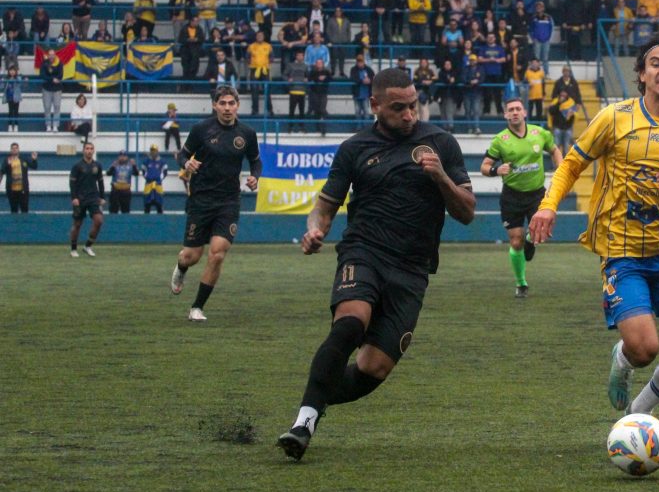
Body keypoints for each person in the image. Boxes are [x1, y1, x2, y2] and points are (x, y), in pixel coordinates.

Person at [276, 68, 474, 461]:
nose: (409, 115)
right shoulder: (354, 149)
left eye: (413, 105)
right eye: (398, 108)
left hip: (413, 269)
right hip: (363, 252)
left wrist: (441, 180)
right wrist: (314, 231)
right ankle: (304, 423)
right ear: (375, 105)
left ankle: (317, 393)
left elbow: (466, 211)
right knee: (350, 323)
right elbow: (324, 208)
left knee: (373, 369)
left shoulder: (440, 143)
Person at [528, 33, 659, 416]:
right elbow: (572, 164)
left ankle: (638, 413)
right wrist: (548, 206)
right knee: (644, 349)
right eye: (656, 64)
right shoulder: (614, 117)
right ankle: (624, 360)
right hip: (623, 253)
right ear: (642, 74)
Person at [170, 86, 262, 322]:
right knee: (192, 255)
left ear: (238, 105)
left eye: (232, 103)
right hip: (200, 200)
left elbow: (256, 161)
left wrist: (255, 177)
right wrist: (186, 164)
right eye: (223, 103)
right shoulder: (202, 129)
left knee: (218, 254)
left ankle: (197, 307)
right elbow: (182, 154)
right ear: (215, 105)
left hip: (229, 202)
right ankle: (181, 268)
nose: (228, 108)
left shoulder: (247, 134)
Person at [480, 98, 564, 298]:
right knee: (515, 241)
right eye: (511, 110)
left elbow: (555, 151)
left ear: (525, 112)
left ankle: (530, 240)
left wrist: (561, 172)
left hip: (536, 194)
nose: (515, 112)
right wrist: (495, 170)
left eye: (518, 108)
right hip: (512, 196)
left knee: (536, 233)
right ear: (506, 115)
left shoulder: (540, 133)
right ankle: (521, 283)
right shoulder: (500, 140)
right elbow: (484, 166)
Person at [69, 141, 105, 257]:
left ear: (93, 151)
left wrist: (102, 197)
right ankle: (73, 249)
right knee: (77, 224)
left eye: (91, 149)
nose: (89, 151)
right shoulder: (77, 166)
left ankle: (88, 246)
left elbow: (100, 182)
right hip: (80, 198)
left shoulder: (97, 165)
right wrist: (74, 197)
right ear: (83, 150)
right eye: (87, 149)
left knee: (99, 220)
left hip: (93, 198)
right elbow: (72, 183)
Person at [3, 142, 36, 213]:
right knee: (14, 210)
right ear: (10, 150)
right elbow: (2, 171)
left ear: (18, 150)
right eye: (13, 148)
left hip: (23, 189)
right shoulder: (7, 160)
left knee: (24, 210)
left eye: (16, 148)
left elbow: (34, 167)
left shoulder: (24, 159)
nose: (14, 150)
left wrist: (34, 159)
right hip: (11, 190)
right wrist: (8, 165)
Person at [106, 150, 138, 214]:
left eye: (124, 156)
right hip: (116, 191)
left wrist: (134, 165)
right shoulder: (115, 165)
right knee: (113, 210)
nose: (122, 158)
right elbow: (108, 173)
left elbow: (136, 174)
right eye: (121, 156)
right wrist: (112, 166)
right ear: (118, 157)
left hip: (126, 191)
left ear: (127, 157)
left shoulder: (130, 166)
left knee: (125, 211)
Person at [142, 144, 169, 214]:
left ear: (157, 151)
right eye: (152, 151)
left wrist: (159, 179)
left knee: (159, 205)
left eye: (155, 151)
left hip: (158, 185)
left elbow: (165, 173)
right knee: (147, 205)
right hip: (148, 185)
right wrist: (149, 178)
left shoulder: (162, 162)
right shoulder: (146, 161)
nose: (153, 152)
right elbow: (143, 172)